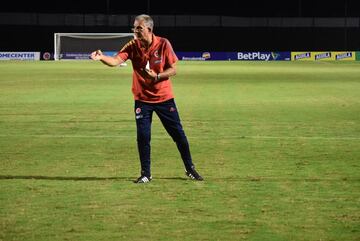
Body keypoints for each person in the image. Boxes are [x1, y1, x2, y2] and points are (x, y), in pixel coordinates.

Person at [90, 14, 203, 183]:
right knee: (143, 137)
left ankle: (190, 169)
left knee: (178, 135)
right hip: (142, 100)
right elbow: (115, 61)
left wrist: (157, 76)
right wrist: (101, 58)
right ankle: (146, 174)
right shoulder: (133, 45)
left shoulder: (164, 43)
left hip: (164, 99)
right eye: (134, 28)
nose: (135, 31)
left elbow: (173, 70)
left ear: (149, 29)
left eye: (139, 28)